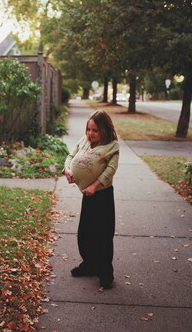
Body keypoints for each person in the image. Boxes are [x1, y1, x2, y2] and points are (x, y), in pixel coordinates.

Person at [63, 110, 119, 289]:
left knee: (102, 235)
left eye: (95, 130)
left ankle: (105, 274)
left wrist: (94, 186)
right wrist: (67, 170)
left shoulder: (112, 147)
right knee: (85, 233)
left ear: (105, 129)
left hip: (102, 196)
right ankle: (89, 265)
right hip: (87, 195)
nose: (90, 133)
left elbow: (110, 170)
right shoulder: (84, 140)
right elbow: (70, 156)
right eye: (88, 129)